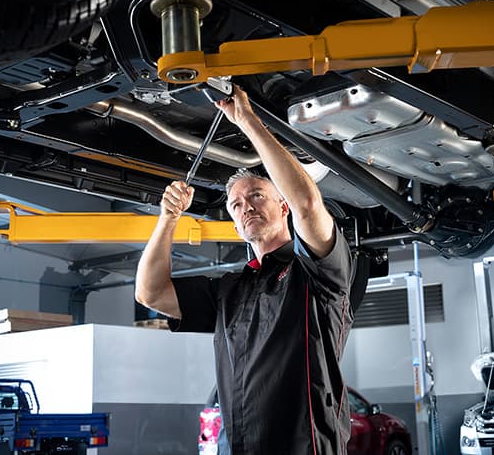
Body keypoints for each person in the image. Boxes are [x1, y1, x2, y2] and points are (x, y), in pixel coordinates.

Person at [135, 86, 353, 454]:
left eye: (256, 196)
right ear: (234, 224)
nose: (246, 207)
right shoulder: (228, 290)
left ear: (282, 207)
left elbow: (308, 204)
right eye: (236, 204)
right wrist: (168, 219)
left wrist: (249, 123)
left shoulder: (315, 271)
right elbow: (150, 293)